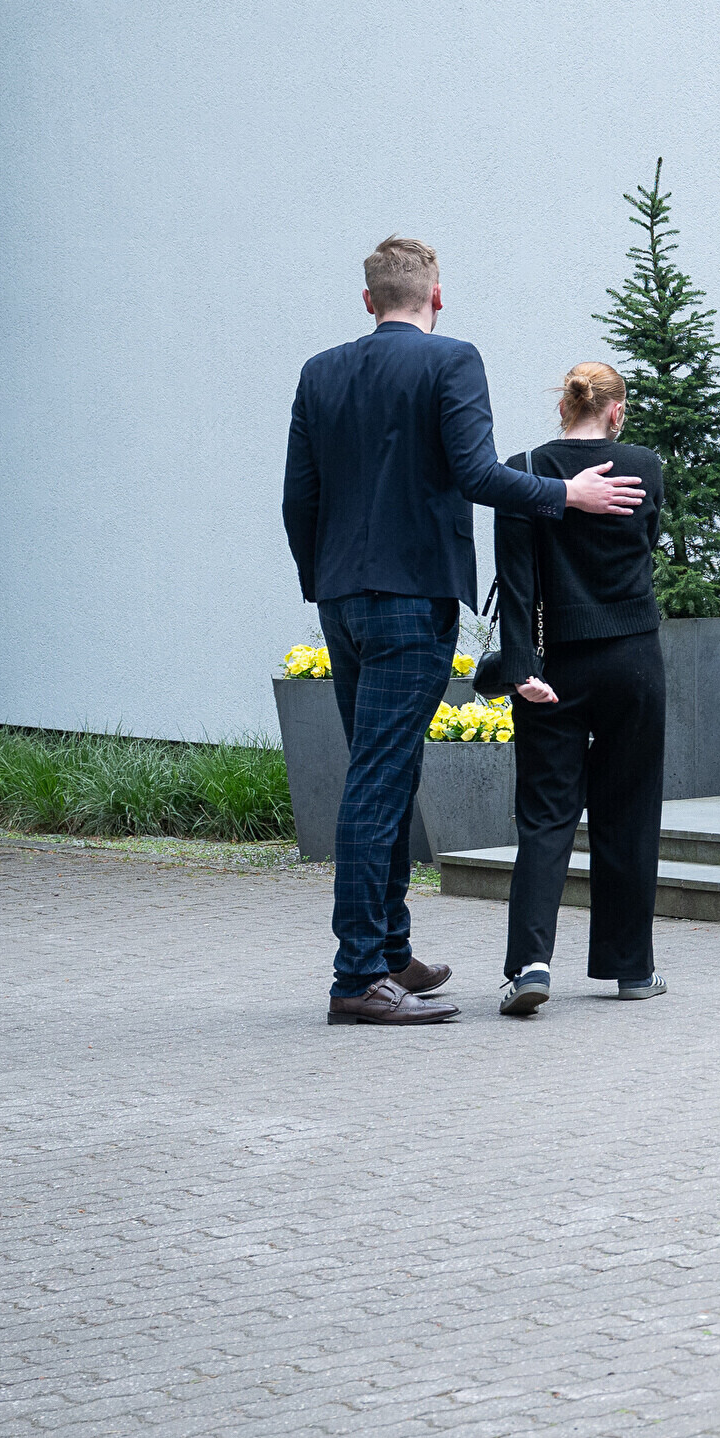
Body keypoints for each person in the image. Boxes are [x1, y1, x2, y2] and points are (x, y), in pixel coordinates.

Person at [283, 236, 644, 1027]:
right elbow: (477, 475)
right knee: (378, 777)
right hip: (411, 595)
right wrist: (567, 496)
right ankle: (356, 977)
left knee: (388, 768)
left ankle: (389, 950)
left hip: (342, 598)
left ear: (369, 300)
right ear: (436, 296)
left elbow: (297, 498)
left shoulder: (319, 372)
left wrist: (324, 582)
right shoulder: (452, 360)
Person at [486, 363, 668, 1017]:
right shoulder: (643, 467)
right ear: (616, 411)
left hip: (553, 668)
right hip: (633, 660)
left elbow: (515, 580)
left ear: (563, 407)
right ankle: (631, 968)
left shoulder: (525, 469)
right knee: (629, 812)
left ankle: (531, 965)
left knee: (545, 815)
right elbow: (645, 542)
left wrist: (519, 666)